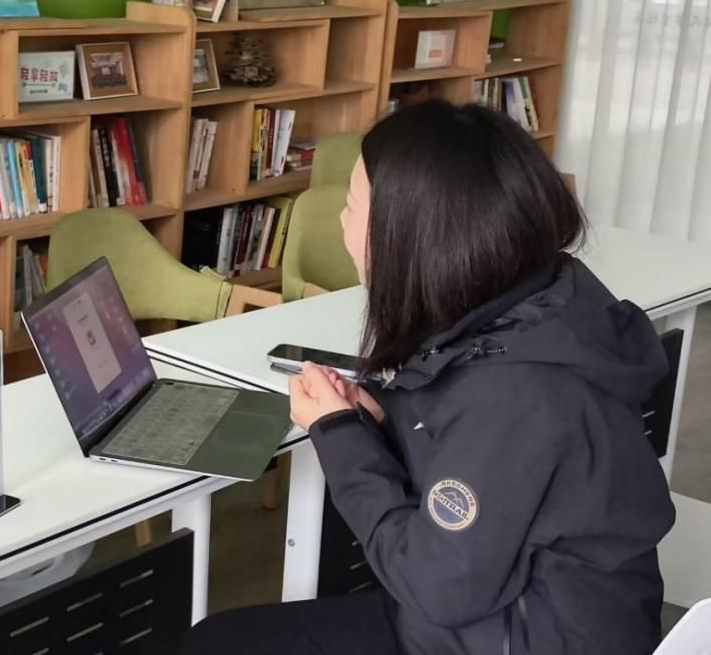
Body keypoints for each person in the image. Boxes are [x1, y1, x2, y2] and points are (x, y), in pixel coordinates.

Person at [182, 100, 675, 654]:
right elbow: (478, 440)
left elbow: (440, 587)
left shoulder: (521, 394)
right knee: (220, 639)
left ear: (414, 238)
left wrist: (340, 436)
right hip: (526, 618)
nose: (342, 222)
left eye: (352, 206)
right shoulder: (542, 307)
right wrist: (384, 415)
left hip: (510, 636)